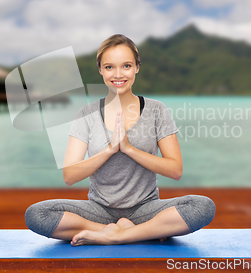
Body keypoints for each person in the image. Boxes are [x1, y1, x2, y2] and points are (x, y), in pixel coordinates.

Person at [25, 34, 215, 246]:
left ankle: (117, 235)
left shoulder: (156, 110)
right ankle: (128, 232)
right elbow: (69, 175)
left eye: (126, 65)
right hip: (98, 210)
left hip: (146, 209)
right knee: (37, 214)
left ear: (137, 67)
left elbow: (175, 170)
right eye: (109, 67)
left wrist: (129, 149)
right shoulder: (86, 114)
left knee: (203, 206)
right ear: (100, 70)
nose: (118, 74)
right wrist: (110, 149)